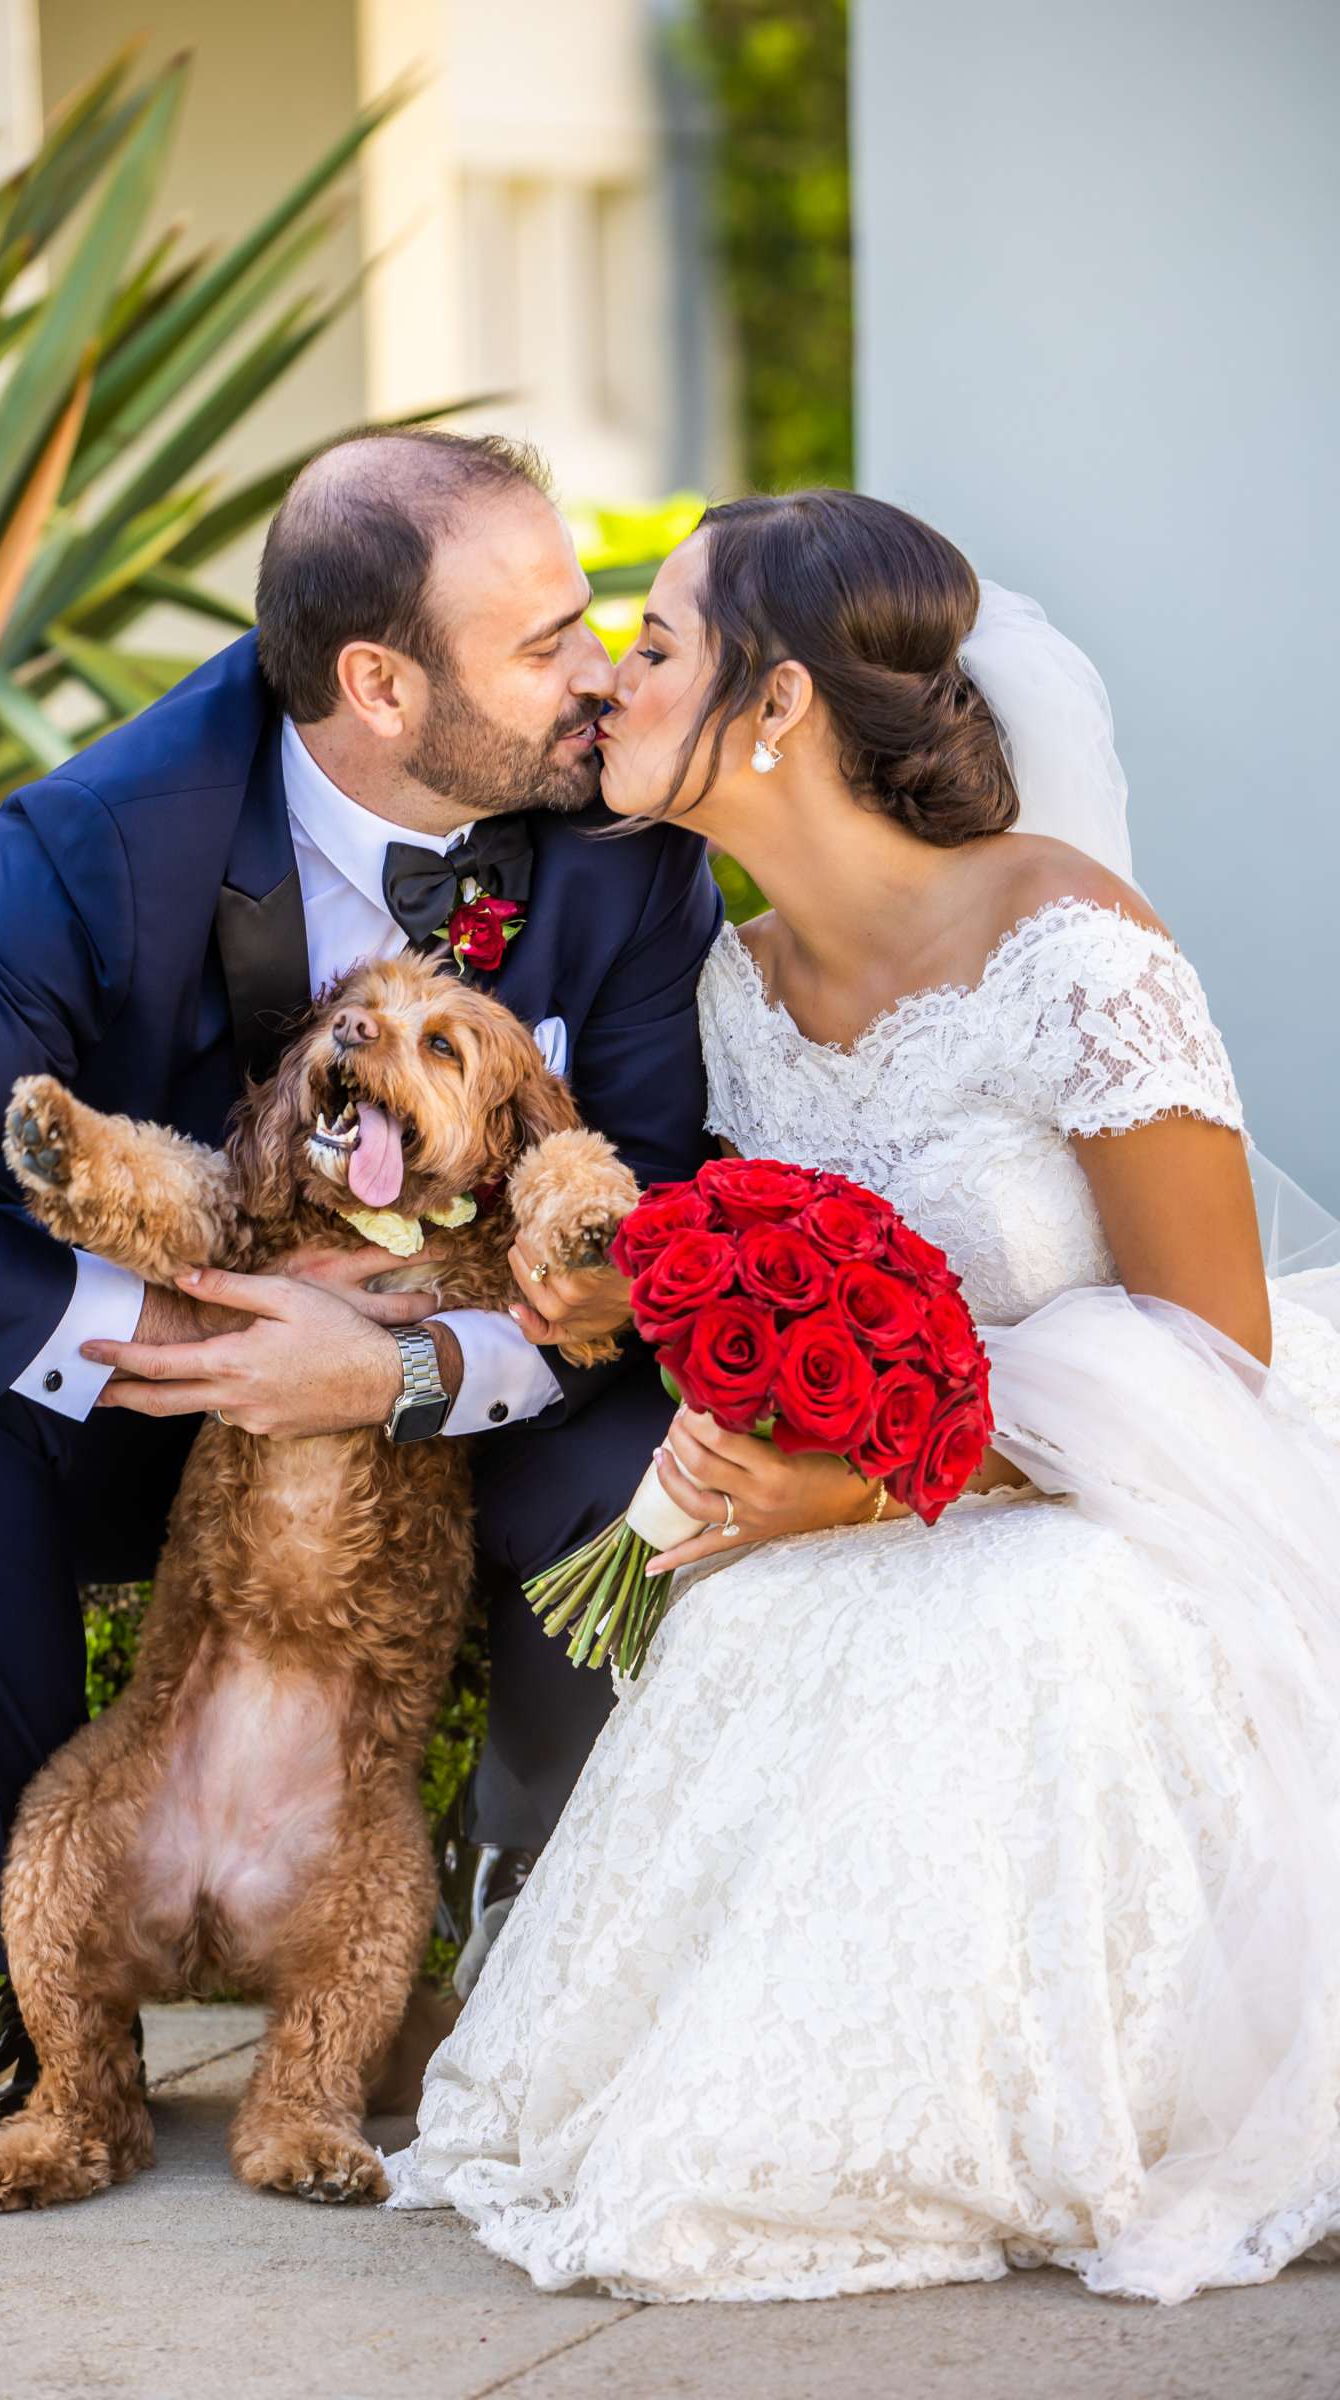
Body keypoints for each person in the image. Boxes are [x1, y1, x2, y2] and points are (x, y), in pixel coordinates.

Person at [387, 489, 1340, 2305]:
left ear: (774, 712)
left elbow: (1217, 1345)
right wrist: (622, 1296)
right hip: (866, 1476)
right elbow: (764, 1277)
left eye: (653, 646)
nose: (608, 684)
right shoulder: (730, 988)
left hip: (1128, 1491)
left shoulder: (1074, 945)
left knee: (1022, 1628)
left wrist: (882, 1479)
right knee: (761, 1632)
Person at [0, 430, 721, 2171]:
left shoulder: (617, 845)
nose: (597, 671)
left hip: (476, 1393)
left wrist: (410, 1368)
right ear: (378, 685)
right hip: (170, 1418)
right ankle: (42, 2002)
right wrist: (178, 1341)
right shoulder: (99, 841)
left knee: (634, 1446)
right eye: (548, 636)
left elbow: (649, 1229)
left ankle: (528, 1923)